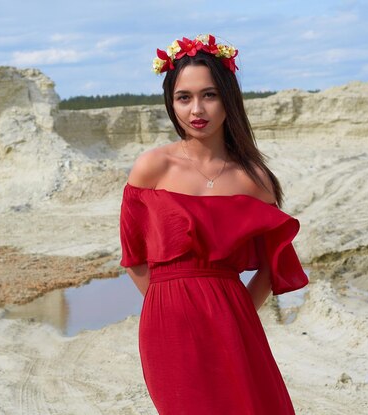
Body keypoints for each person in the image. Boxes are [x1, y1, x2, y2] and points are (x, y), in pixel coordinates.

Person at [119, 34, 309, 414]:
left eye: (209, 95)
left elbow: (274, 268)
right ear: (171, 103)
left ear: (228, 99)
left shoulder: (254, 179)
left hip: (233, 321)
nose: (196, 110)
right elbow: (135, 257)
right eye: (183, 97)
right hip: (166, 326)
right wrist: (168, 305)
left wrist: (233, 313)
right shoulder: (151, 167)